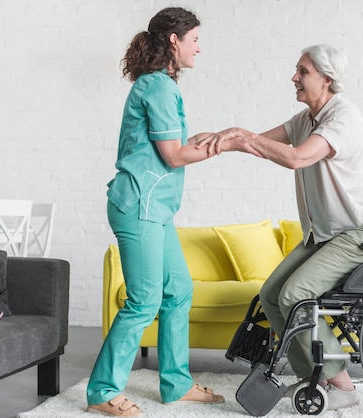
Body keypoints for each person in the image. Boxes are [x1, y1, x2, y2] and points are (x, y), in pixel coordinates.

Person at [198, 44, 363, 411]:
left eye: (302, 71)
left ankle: (342, 385)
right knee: (272, 294)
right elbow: (261, 144)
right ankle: (315, 374)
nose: (294, 77)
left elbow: (298, 157)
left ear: (326, 79)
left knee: (295, 295)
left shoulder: (344, 117)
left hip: (360, 231)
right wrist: (222, 139)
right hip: (326, 233)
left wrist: (244, 137)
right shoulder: (305, 119)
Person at [86, 7, 226, 417]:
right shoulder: (159, 87)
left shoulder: (160, 85)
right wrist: (228, 145)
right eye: (195, 39)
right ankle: (102, 392)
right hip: (139, 206)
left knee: (178, 289)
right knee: (144, 300)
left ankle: (175, 383)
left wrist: (212, 137)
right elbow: (173, 154)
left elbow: (171, 146)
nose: (199, 47)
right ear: (173, 40)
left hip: (154, 208)